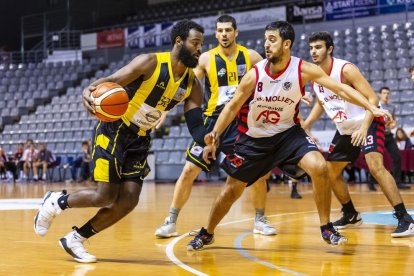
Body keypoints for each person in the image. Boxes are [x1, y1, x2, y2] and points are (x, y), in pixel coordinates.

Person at [186, 21, 391, 251]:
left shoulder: (303, 69)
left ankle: (326, 227)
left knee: (320, 167)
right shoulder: (254, 75)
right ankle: (207, 232)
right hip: (255, 139)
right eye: (265, 40)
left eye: (271, 40)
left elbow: (342, 89)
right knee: (230, 190)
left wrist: (370, 107)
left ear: (287, 44)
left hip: (288, 134)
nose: (266, 44)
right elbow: (232, 106)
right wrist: (214, 134)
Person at [34, 19, 206, 263]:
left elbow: (196, 124)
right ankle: (55, 202)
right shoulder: (151, 62)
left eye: (201, 44)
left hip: (140, 139)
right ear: (179, 41)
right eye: (195, 43)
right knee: (105, 195)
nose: (199, 49)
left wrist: (209, 140)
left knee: (128, 201)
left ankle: (75, 239)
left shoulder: (193, 85)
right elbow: (111, 80)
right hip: (115, 130)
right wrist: (89, 90)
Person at [155, 15, 277, 238]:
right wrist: (164, 110)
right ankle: (171, 220)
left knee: (258, 174)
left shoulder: (250, 56)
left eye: (228, 30)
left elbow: (273, 78)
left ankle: (260, 219)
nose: (223, 34)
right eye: (219, 30)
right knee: (189, 170)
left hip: (241, 123)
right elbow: (186, 85)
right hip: (212, 122)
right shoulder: (205, 59)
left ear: (236, 32)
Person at [302, 31, 414, 237]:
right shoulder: (316, 77)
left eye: (318, 47)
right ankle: (351, 213)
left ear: (330, 49)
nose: (313, 51)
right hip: (345, 128)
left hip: (369, 120)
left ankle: (405, 219)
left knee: (375, 166)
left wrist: (363, 128)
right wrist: (306, 124)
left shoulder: (346, 69)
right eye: (311, 48)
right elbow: (321, 101)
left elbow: (372, 99)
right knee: (330, 171)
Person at [379, 87, 410, 189]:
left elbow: (394, 121)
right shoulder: (376, 105)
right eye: (384, 93)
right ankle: (372, 183)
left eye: (388, 93)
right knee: (377, 159)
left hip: (388, 136)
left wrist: (393, 124)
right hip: (379, 135)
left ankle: (397, 182)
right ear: (380, 94)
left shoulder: (392, 107)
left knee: (397, 157)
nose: (386, 95)